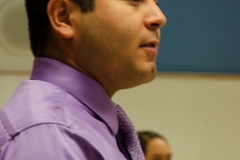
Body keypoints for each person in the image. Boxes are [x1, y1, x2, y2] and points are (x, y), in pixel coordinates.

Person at [0, 0, 166, 159]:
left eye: (156, 2)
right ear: (63, 17)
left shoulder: (73, 129)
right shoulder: (52, 136)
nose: (160, 17)